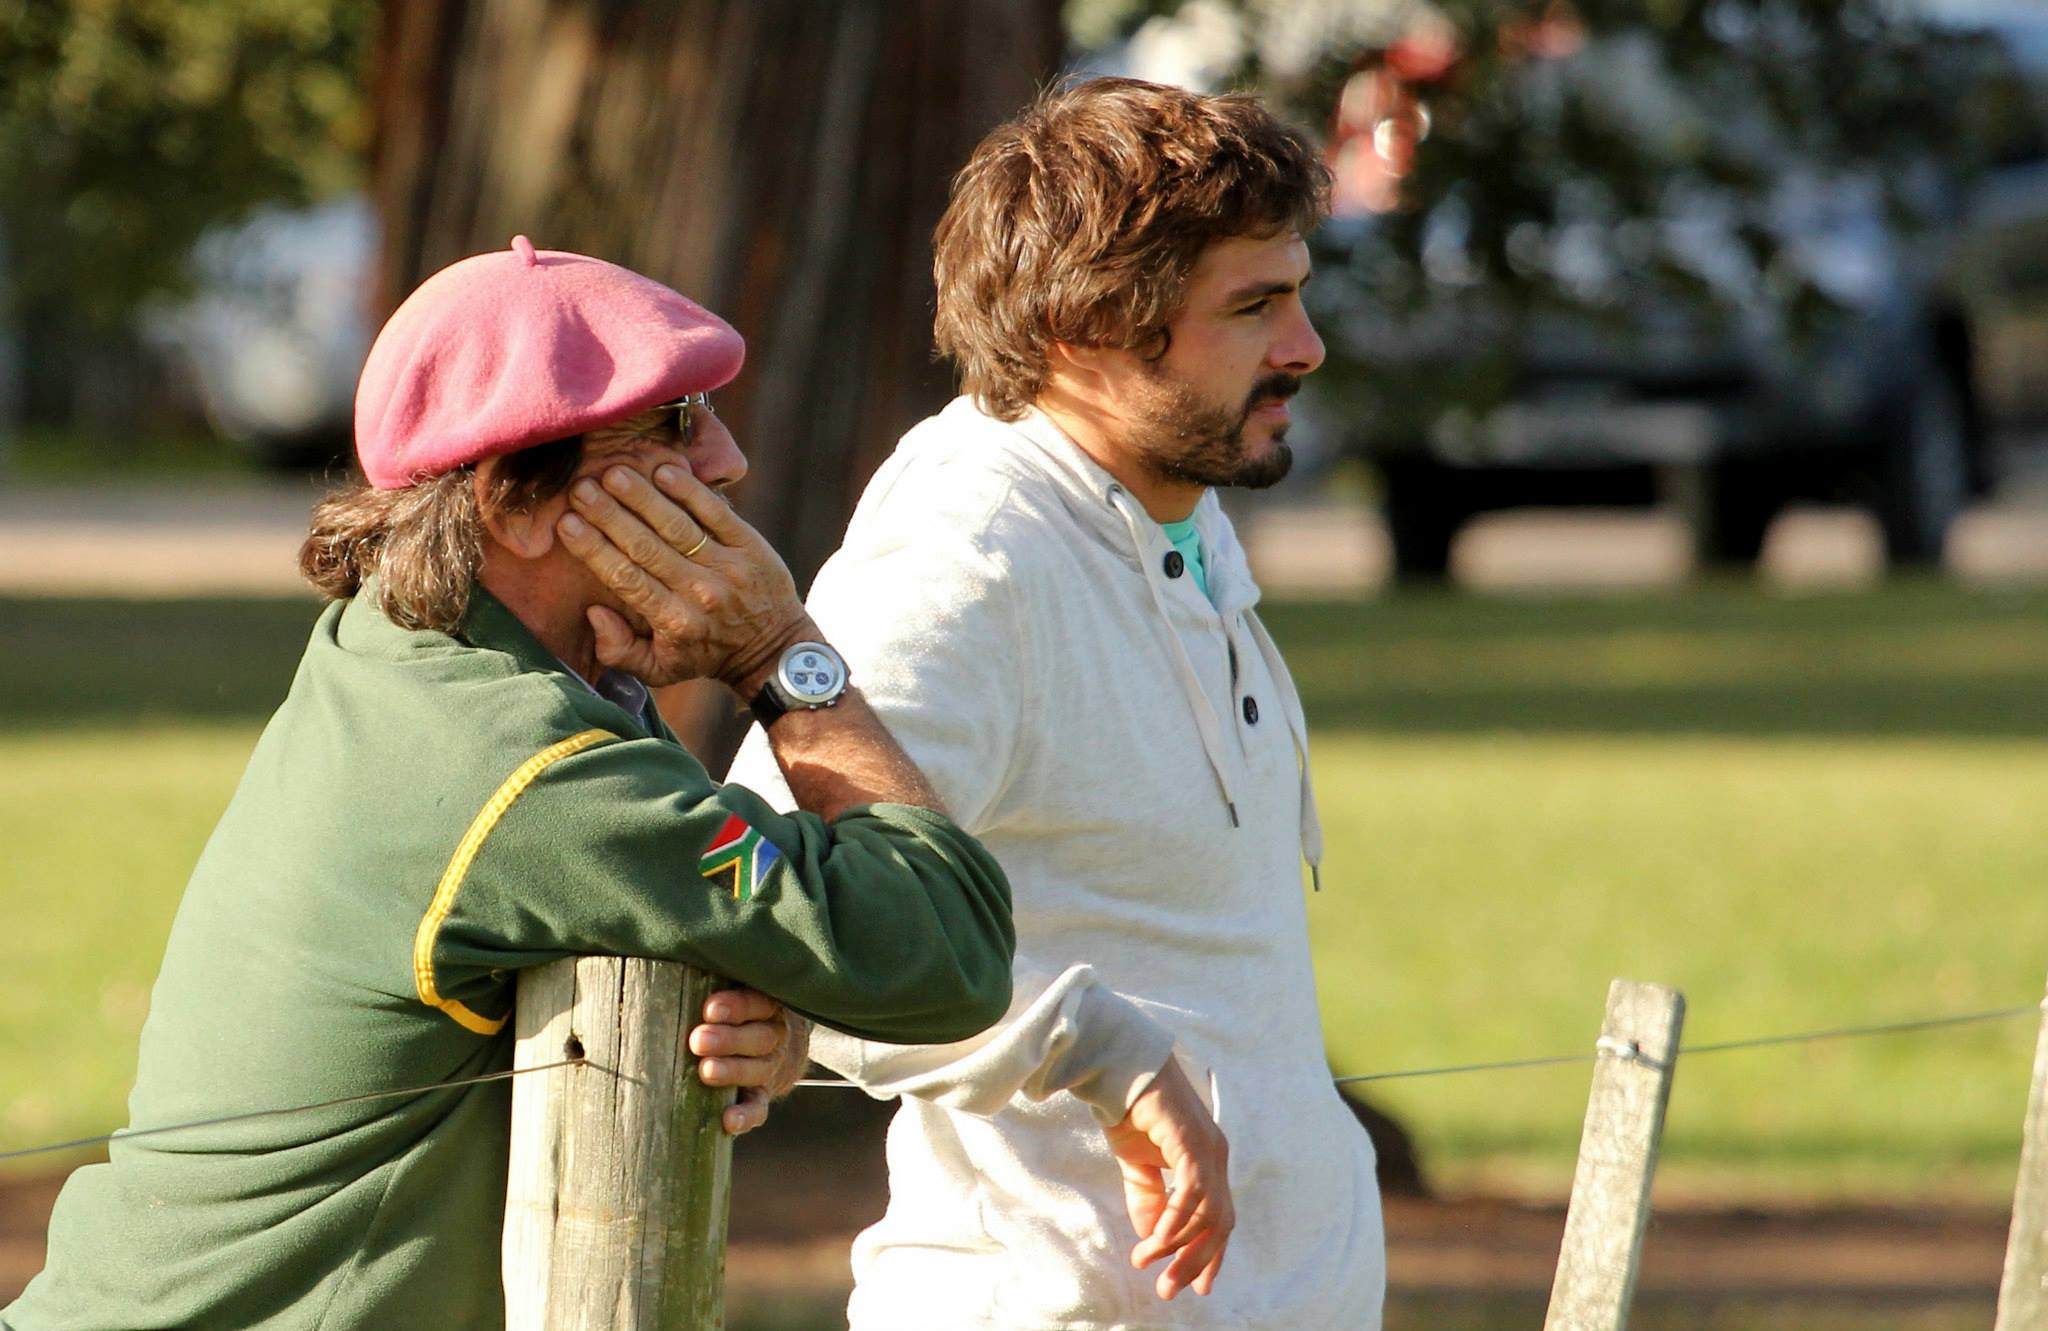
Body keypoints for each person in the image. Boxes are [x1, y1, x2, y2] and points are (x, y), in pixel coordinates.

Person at [1, 237, 1016, 1331]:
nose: (727, 459)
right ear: (514, 499)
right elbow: (946, 944)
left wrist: (746, 989)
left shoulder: (395, 653)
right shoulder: (532, 774)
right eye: (674, 422)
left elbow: (673, 890)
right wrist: (781, 652)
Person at [599, 77, 1385, 1329]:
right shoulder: (974, 555)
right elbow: (764, 898)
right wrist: (1091, 1050)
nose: (1304, 345)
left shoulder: (1171, 504)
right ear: (1083, 332)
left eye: (1296, 291)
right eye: (1253, 306)